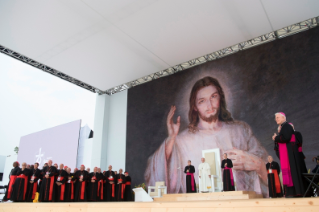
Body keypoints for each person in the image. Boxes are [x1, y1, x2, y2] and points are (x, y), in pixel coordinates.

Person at [145, 76, 268, 196]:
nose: (209, 105)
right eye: (202, 101)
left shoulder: (240, 130)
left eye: (213, 97)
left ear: (220, 97)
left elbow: (270, 172)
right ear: (194, 107)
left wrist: (258, 165)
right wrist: (171, 139)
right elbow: (155, 178)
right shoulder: (182, 141)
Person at [272, 112, 304, 197]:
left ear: (283, 118)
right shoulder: (284, 126)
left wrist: (276, 138)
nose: (276, 119)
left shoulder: (286, 126)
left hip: (290, 154)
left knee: (292, 172)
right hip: (288, 153)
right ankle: (291, 192)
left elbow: (286, 138)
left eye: (278, 117)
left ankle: (294, 192)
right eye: (276, 118)